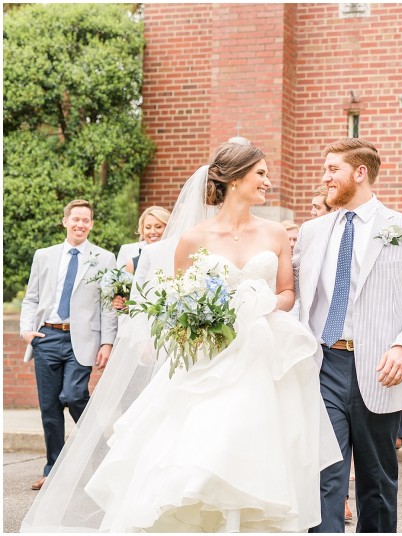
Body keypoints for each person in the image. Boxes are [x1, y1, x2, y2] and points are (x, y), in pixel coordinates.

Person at [22, 143, 342, 532]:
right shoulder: (193, 238)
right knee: (199, 451)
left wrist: (261, 301)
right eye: (260, 173)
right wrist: (201, 324)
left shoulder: (275, 233)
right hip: (210, 358)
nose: (267, 181)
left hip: (261, 354)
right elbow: (177, 305)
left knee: (252, 447)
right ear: (236, 178)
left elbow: (288, 294)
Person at [293, 138, 402, 533]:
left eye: (332, 169)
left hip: (380, 367)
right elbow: (293, 297)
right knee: (326, 477)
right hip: (323, 364)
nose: (324, 177)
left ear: (360, 173)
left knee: (376, 483)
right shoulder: (311, 232)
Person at [19, 200, 118, 492]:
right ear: (65, 221)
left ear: (91, 224)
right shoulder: (44, 256)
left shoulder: (104, 258)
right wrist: (27, 331)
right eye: (76, 219)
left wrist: (108, 341)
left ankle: (101, 454)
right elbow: (31, 297)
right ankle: (54, 470)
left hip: (82, 339)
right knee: (49, 408)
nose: (81, 224)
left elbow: (108, 305)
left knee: (74, 395)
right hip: (46, 337)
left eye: (86, 220)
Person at [111, 206, 171, 311]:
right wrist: (120, 303)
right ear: (142, 230)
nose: (153, 231)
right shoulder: (132, 264)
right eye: (148, 227)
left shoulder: (176, 258)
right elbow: (128, 305)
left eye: (158, 226)